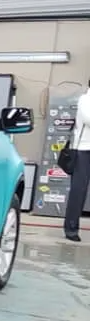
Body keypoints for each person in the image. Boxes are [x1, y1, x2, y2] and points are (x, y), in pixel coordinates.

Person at [64, 81, 90, 242]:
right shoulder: (85, 99)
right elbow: (88, 118)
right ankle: (71, 228)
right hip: (84, 150)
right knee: (79, 190)